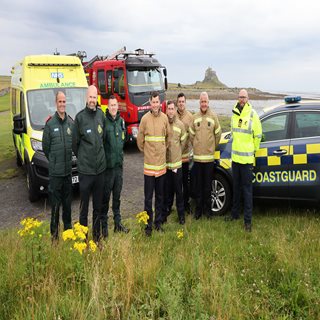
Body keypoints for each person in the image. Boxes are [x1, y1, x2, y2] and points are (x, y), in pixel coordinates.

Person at [72, 85, 106, 242]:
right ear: (86, 98)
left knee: (98, 208)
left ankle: (97, 239)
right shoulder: (79, 118)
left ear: (97, 98)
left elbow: (103, 138)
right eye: (90, 97)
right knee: (84, 208)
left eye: (95, 97)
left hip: (100, 172)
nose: (92, 100)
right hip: (86, 172)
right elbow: (75, 144)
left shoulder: (101, 115)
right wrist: (84, 158)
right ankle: (84, 240)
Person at [226, 89, 262, 232]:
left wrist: (253, 150)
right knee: (236, 188)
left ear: (248, 98)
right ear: (238, 98)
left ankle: (247, 221)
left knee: (247, 191)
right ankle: (234, 214)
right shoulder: (234, 114)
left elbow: (258, 135)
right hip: (235, 159)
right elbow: (234, 133)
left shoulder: (253, 115)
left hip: (247, 160)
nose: (242, 99)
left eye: (244, 97)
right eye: (240, 97)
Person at [137, 91, 169, 236]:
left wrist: (162, 150)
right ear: (150, 103)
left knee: (160, 197)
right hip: (149, 168)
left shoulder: (165, 118)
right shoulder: (144, 119)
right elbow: (140, 140)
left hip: (161, 167)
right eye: (153, 102)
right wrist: (147, 153)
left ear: (159, 102)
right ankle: (148, 226)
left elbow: (167, 138)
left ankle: (158, 223)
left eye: (157, 102)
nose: (155, 105)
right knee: (148, 199)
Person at [42, 91, 73, 240]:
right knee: (55, 208)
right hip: (55, 175)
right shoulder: (50, 124)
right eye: (60, 102)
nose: (62, 104)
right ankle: (54, 238)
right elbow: (46, 148)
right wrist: (54, 162)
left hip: (68, 173)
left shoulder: (70, 123)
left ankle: (68, 234)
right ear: (56, 103)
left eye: (64, 101)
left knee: (67, 208)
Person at [189, 92, 221, 219]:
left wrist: (212, 147)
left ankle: (208, 211)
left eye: (205, 102)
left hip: (208, 159)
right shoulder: (195, 117)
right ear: (199, 103)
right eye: (202, 102)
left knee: (208, 187)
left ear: (208, 102)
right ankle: (198, 211)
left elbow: (218, 135)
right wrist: (196, 145)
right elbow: (191, 135)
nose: (204, 104)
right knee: (198, 187)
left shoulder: (213, 116)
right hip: (197, 159)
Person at [101, 95, 129, 237]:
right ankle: (104, 228)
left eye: (115, 105)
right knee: (105, 199)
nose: (113, 107)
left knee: (117, 198)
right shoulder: (104, 123)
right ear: (108, 107)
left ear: (118, 106)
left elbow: (123, 142)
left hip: (119, 168)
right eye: (111, 105)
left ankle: (118, 224)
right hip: (107, 170)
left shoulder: (122, 122)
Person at [162, 100, 187, 225]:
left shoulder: (180, 125)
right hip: (166, 165)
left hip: (177, 164)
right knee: (167, 190)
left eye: (172, 108)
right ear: (166, 110)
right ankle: (166, 210)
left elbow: (183, 142)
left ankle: (181, 215)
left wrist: (177, 152)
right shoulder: (164, 123)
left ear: (175, 109)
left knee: (179, 191)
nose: (170, 111)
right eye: (169, 109)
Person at [176, 93, 194, 214]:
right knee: (175, 183)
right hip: (174, 157)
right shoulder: (172, 115)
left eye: (183, 101)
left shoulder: (190, 117)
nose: (181, 103)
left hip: (186, 155)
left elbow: (193, 135)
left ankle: (186, 204)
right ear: (177, 103)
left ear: (185, 103)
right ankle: (177, 205)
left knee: (185, 183)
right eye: (179, 101)